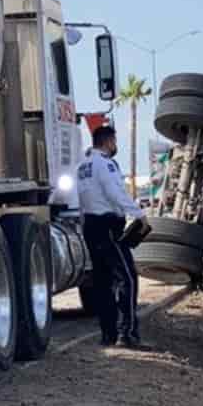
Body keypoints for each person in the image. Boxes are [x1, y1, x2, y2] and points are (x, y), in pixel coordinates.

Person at [76, 124, 147, 348]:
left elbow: (81, 198)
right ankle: (128, 333)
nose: (115, 146)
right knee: (128, 278)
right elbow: (115, 192)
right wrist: (139, 214)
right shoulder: (106, 164)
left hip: (90, 226)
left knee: (103, 283)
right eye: (114, 142)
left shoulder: (82, 166)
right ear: (107, 142)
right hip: (108, 226)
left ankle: (108, 335)